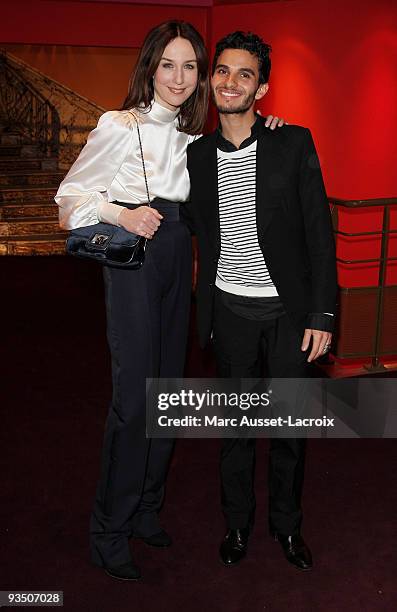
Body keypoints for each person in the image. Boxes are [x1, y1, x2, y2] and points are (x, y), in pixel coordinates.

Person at [55, 21, 283, 581]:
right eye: (168, 65)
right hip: (136, 258)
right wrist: (121, 212)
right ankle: (108, 530)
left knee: (165, 393)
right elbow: (68, 202)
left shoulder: (195, 140)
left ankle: (144, 512)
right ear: (150, 67)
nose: (180, 78)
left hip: (180, 256)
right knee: (133, 399)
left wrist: (267, 128)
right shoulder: (119, 124)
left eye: (190, 67)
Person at [183, 31, 337, 571]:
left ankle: (287, 528)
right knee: (237, 432)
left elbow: (320, 233)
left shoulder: (291, 143)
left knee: (291, 432)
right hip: (231, 315)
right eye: (222, 71)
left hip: (290, 317)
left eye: (244, 74)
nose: (229, 82)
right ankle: (238, 525)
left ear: (261, 88)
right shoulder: (196, 155)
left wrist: (323, 314)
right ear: (211, 80)